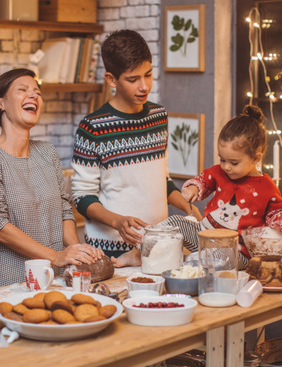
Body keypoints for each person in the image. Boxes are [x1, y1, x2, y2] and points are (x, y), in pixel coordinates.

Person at [71, 29, 200, 267]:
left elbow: (163, 180)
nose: (144, 86)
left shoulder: (159, 116)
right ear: (111, 79)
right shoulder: (92, 127)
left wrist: (187, 206)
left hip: (158, 246)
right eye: (133, 80)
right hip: (109, 252)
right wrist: (118, 222)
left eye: (148, 75)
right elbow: (82, 197)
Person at [0, 68, 104, 288]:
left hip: (54, 278)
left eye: (37, 92)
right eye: (22, 90)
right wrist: (56, 256)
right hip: (5, 283)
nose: (33, 96)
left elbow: (64, 209)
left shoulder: (46, 152)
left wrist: (76, 255)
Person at [164, 104, 282, 269]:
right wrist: (193, 189)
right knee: (174, 222)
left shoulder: (266, 187)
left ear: (255, 158)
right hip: (204, 237)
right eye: (222, 159)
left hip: (236, 253)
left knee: (216, 258)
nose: (226, 167)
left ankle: (196, 264)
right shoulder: (219, 172)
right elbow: (203, 181)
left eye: (234, 162)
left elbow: (276, 214)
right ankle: (142, 248)